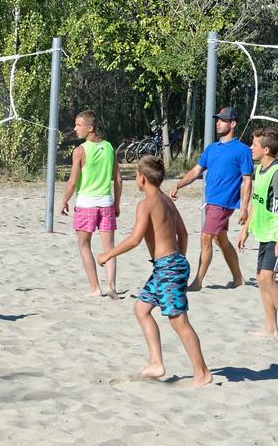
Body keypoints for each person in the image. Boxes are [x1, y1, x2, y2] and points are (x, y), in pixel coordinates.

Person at [98, 156, 212, 387]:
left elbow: (134, 239)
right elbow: (184, 234)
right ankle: (156, 363)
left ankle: (202, 372)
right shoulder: (168, 202)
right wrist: (178, 257)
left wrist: (109, 254)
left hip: (168, 267)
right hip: (169, 265)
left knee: (179, 321)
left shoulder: (146, 204)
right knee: (141, 309)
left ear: (141, 178)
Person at [169, 106, 252, 290]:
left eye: (222, 120)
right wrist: (178, 184)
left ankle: (198, 282)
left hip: (223, 203)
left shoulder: (242, 150)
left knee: (206, 237)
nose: (218, 122)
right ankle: (238, 278)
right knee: (220, 240)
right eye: (218, 119)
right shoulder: (211, 149)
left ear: (233, 124)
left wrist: (244, 208)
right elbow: (196, 171)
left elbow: (247, 181)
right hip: (211, 202)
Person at [59, 110, 122, 299]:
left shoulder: (80, 151)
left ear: (90, 128)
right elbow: (118, 180)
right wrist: (116, 203)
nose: (75, 129)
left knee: (84, 245)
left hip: (87, 203)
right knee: (109, 248)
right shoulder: (109, 147)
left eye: (79, 125)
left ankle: (95, 288)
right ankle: (111, 285)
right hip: (106, 203)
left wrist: (64, 201)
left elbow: (72, 182)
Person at [237, 127, 278, 338]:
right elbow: (255, 203)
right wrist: (245, 230)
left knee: (266, 278)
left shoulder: (276, 172)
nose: (251, 148)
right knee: (261, 278)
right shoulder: (259, 170)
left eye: (254, 145)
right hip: (262, 233)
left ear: (267, 149)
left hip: (274, 234)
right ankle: (270, 327)